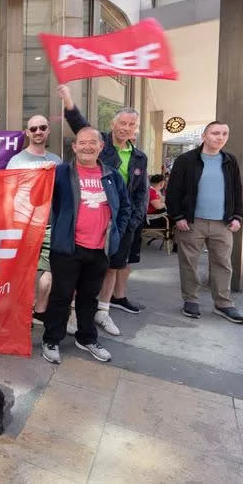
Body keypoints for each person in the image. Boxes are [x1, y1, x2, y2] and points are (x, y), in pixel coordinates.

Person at [58, 84, 147, 337]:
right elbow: (79, 123)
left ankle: (103, 310)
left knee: (113, 266)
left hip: (122, 220)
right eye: (123, 123)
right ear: (113, 124)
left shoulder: (139, 156)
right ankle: (75, 311)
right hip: (92, 216)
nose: (126, 128)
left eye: (132, 125)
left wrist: (132, 221)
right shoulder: (99, 143)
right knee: (82, 269)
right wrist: (68, 99)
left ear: (135, 129)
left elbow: (141, 191)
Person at [42, 127, 131, 365]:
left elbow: (125, 208)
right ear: (74, 147)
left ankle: (87, 337)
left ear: (101, 147)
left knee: (89, 298)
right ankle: (51, 339)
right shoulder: (60, 173)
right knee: (61, 296)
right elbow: (38, 196)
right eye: (82, 143)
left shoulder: (112, 176)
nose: (87, 147)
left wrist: (116, 235)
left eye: (93, 142)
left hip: (99, 248)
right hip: (67, 248)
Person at [166, 121, 243, 324]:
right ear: (204, 136)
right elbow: (173, 191)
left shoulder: (230, 161)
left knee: (223, 264)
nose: (220, 137)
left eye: (224, 133)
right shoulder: (186, 160)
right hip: (192, 222)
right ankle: (190, 300)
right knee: (189, 263)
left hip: (223, 223)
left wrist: (237, 216)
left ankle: (223, 303)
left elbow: (237, 190)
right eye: (215, 133)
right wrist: (178, 216)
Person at [6, 115, 62, 326]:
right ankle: (23, 312)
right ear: (27, 132)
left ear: (48, 131)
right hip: (24, 224)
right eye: (33, 128)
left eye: (42, 128)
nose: (38, 132)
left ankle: (40, 310)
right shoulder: (16, 161)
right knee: (24, 271)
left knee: (49, 269)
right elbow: (8, 192)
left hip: (50, 224)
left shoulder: (57, 160)